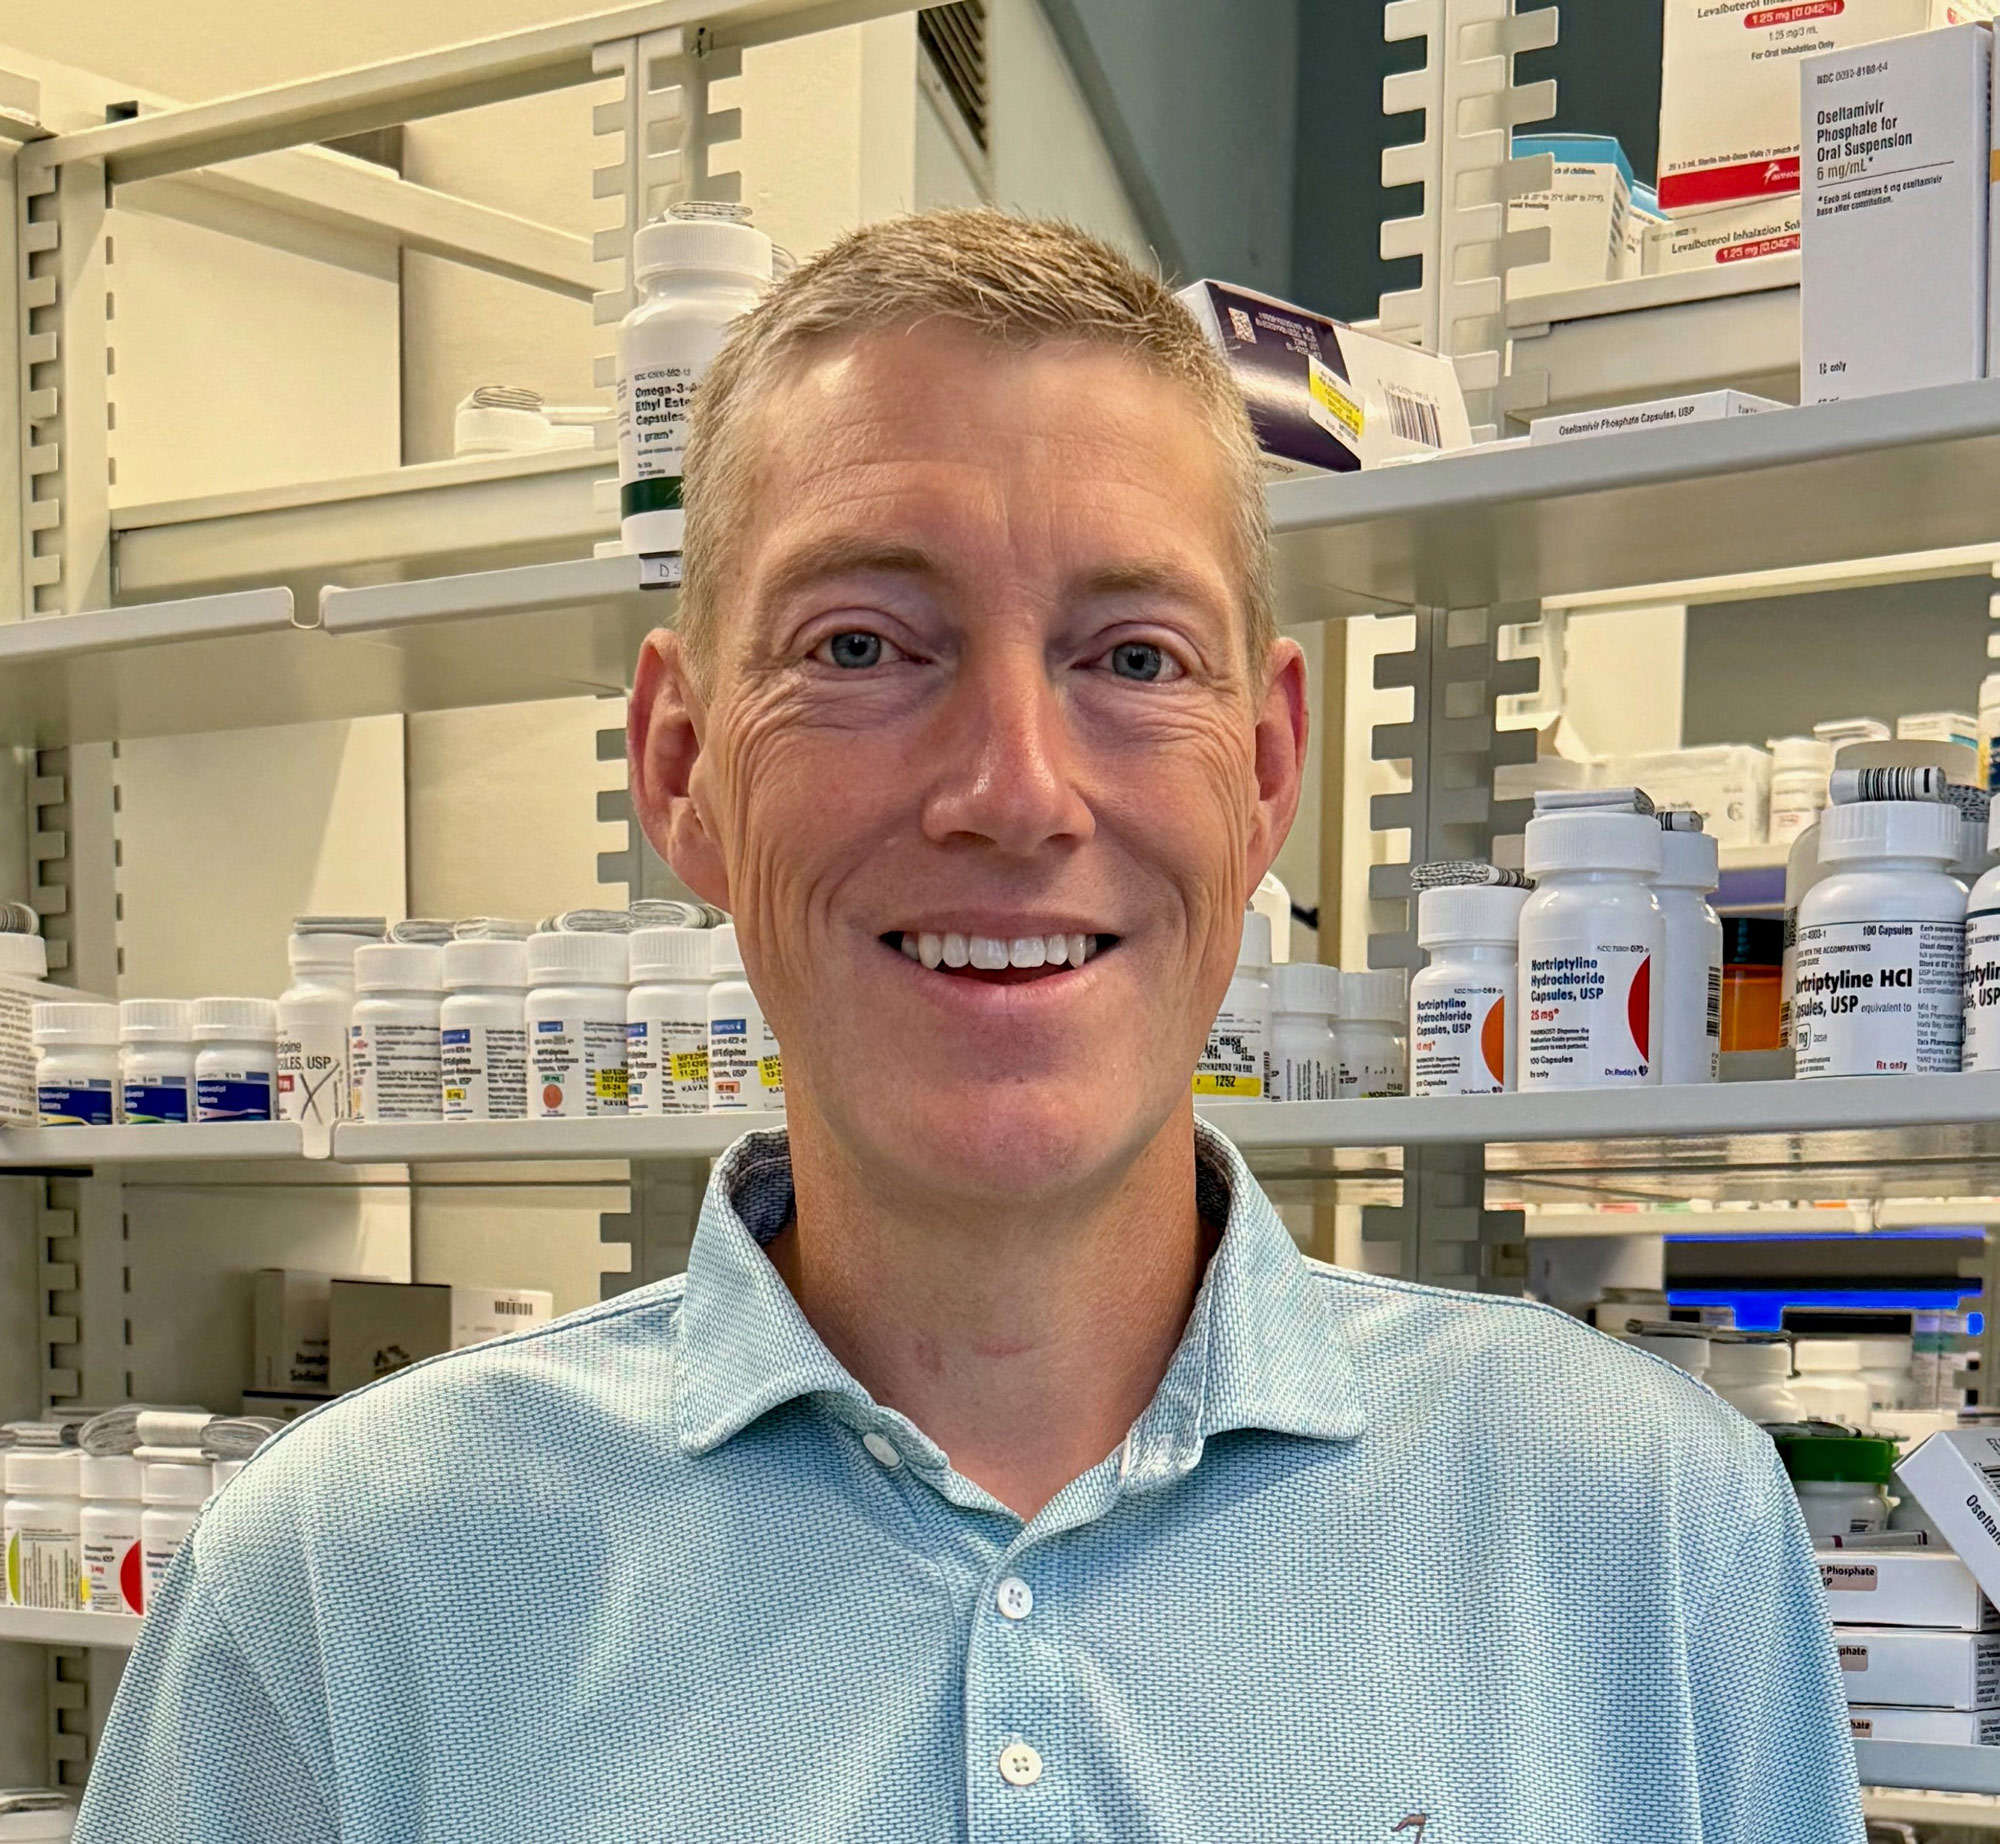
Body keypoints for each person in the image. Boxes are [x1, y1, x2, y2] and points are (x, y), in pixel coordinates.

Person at [77, 209, 1862, 1842]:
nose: (1016, 791)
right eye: (864, 647)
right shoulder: (343, 1593)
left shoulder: (1645, 1534)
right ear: (683, 770)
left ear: (1264, 773)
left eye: (1135, 658)